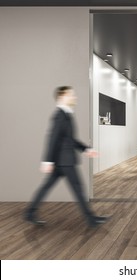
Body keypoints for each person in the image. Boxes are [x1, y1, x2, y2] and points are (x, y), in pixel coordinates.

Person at [25, 86, 109, 228]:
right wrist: (47, 161)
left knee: (48, 187)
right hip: (64, 161)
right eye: (71, 95)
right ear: (62, 97)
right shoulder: (59, 115)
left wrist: (85, 149)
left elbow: (69, 139)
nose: (74, 97)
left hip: (61, 161)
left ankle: (30, 213)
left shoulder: (66, 115)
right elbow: (52, 138)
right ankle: (91, 219)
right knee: (78, 189)